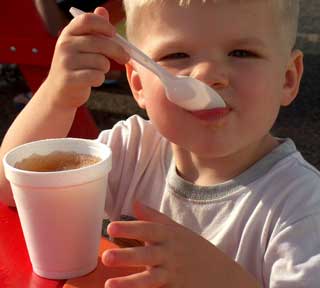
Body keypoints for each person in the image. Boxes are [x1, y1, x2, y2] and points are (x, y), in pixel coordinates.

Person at [0, 0, 319, 287]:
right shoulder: (134, 149)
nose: (208, 75)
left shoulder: (303, 206)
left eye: (241, 53)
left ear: (287, 79)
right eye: (177, 55)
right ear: (138, 83)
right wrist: (58, 97)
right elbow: (11, 190)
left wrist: (222, 278)